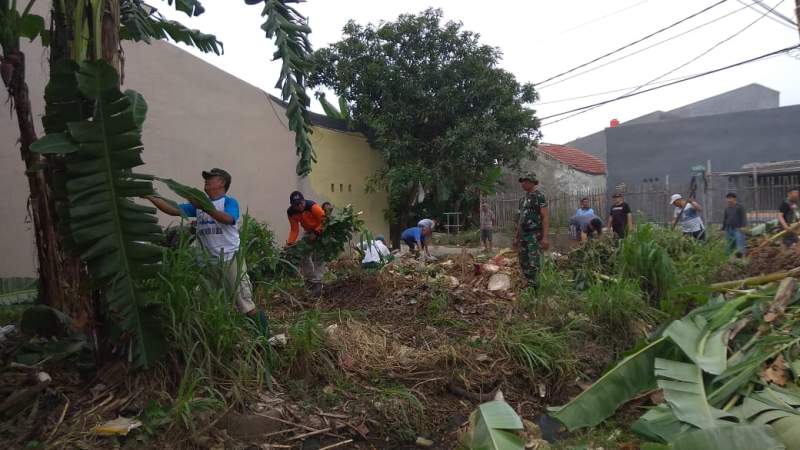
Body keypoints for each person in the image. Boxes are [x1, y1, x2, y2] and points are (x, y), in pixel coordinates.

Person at [144, 168, 268, 333]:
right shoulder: (197, 206)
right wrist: (149, 195)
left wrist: (203, 206)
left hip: (230, 258)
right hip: (207, 263)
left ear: (222, 182)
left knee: (244, 303)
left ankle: (265, 338)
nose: (206, 180)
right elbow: (172, 209)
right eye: (206, 178)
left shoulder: (229, 203)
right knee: (209, 304)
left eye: (211, 178)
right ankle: (218, 339)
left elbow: (229, 219)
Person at [286, 191, 327, 296]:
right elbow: (294, 230)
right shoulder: (291, 213)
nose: (300, 206)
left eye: (301, 203)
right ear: (292, 205)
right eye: (296, 205)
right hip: (308, 232)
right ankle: (310, 280)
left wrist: (316, 232)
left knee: (319, 256)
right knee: (304, 254)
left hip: (320, 230)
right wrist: (290, 243)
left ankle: (318, 282)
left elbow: (324, 221)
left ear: (304, 201)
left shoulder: (313, 207)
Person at [515, 172, 549, 288]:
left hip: (534, 235)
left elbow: (545, 217)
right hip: (523, 236)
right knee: (523, 261)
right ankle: (529, 286)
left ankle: (536, 289)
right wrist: (516, 237)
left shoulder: (539, 197)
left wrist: (545, 238)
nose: (522, 184)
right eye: (522, 181)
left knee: (533, 262)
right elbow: (520, 220)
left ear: (532, 182)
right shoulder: (522, 199)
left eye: (525, 181)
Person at [721, 192, 747, 257]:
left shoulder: (739, 207)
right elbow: (725, 219)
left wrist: (743, 226)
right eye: (727, 198)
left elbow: (743, 217)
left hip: (738, 229)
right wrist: (723, 229)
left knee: (739, 244)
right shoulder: (727, 209)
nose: (728, 200)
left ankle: (741, 259)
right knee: (729, 245)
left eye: (730, 198)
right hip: (728, 229)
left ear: (734, 199)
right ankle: (730, 259)